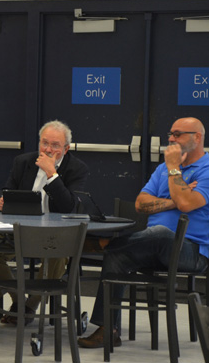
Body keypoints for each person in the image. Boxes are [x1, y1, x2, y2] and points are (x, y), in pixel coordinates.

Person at [78, 117, 209, 349]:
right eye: (170, 133)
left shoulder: (204, 169)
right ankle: (109, 329)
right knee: (119, 256)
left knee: (159, 232)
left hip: (191, 250)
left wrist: (174, 169)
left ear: (197, 137)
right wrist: (173, 201)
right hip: (150, 246)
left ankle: (104, 244)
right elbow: (140, 203)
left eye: (177, 134)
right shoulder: (162, 169)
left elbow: (187, 205)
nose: (170, 138)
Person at [0, 120, 88, 324]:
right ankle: (18, 300)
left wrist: (51, 174)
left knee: (59, 256)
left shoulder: (76, 168)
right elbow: (5, 191)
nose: (48, 149)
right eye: (44, 143)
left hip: (57, 235)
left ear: (66, 148)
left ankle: (31, 305)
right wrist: (1, 202)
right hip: (20, 231)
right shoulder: (23, 162)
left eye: (55, 145)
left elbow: (68, 206)